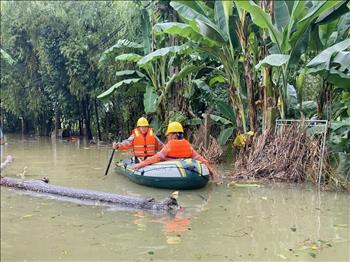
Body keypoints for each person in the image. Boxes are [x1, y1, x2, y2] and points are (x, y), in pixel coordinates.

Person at [130, 121, 219, 180]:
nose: (167, 137)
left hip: (174, 173)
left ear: (173, 135)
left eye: (168, 135)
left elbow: (156, 158)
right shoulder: (188, 145)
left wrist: (140, 164)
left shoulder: (169, 146)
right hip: (191, 175)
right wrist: (211, 170)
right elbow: (201, 159)